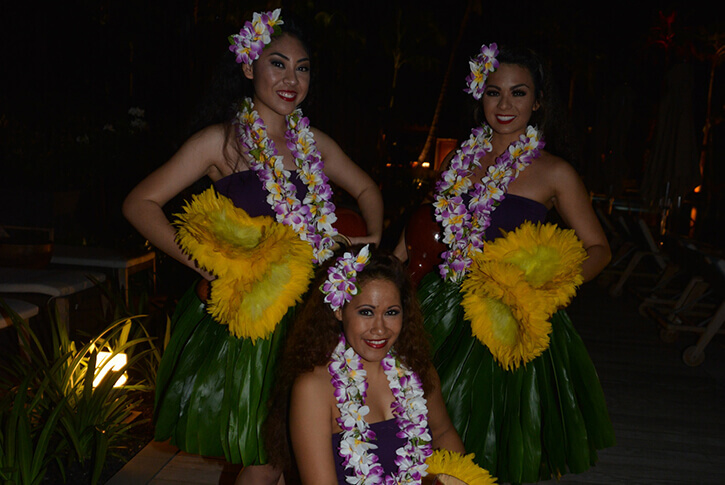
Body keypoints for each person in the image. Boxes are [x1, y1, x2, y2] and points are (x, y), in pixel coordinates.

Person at [122, 9, 383, 484]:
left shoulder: (314, 143)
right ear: (248, 68)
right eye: (277, 64)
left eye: (302, 68)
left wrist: (372, 239)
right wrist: (204, 265)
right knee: (268, 456)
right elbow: (140, 203)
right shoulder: (221, 143)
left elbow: (367, 190)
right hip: (252, 324)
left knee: (303, 452)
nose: (291, 79)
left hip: (314, 315)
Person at [394, 44, 615, 483]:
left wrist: (546, 292)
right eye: (494, 92)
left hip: (514, 318)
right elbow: (427, 221)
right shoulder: (459, 160)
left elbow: (599, 249)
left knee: (494, 441)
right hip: (445, 308)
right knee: (428, 432)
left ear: (538, 102)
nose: (506, 104)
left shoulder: (555, 172)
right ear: (480, 96)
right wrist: (388, 268)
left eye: (519, 93)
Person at [264, 245, 487, 484]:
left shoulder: (417, 369)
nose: (380, 328)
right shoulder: (314, 388)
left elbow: (443, 433)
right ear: (339, 309)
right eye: (366, 312)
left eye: (391, 312)